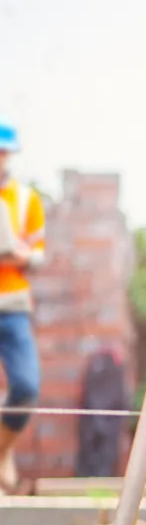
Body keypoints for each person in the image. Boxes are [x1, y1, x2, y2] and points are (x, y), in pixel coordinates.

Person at [0, 116, 44, 493]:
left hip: (11, 305)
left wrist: (20, 254)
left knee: (26, 387)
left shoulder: (26, 199)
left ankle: (2, 451)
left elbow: (40, 253)